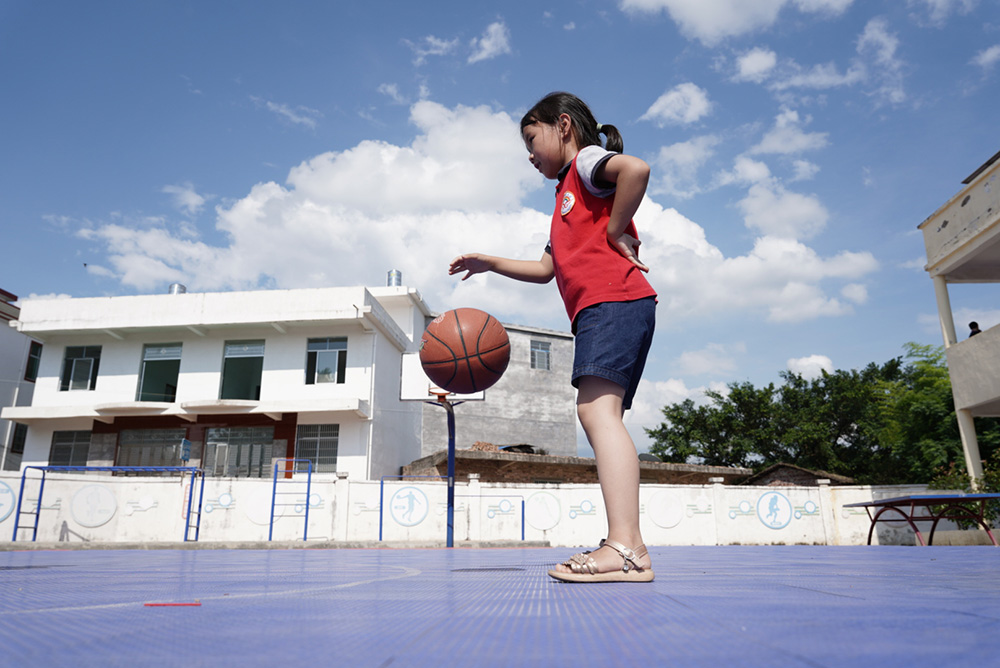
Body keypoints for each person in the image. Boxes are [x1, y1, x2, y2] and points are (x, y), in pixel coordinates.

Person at [449, 92, 656, 583]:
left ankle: (626, 547)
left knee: (596, 413)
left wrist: (616, 228)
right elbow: (546, 269)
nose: (529, 153)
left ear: (562, 125)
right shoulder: (565, 192)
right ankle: (627, 546)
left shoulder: (585, 163)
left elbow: (637, 170)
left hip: (613, 301)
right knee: (602, 416)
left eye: (531, 138)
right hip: (607, 307)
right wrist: (490, 262)